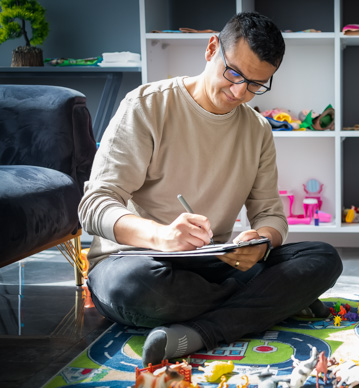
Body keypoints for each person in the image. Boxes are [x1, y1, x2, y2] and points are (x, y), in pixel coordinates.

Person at [79, 12, 342, 366]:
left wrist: (261, 239)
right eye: (233, 74)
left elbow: (270, 214)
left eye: (255, 84)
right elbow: (94, 206)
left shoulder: (258, 130)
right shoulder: (146, 106)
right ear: (211, 48)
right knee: (135, 289)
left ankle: (200, 332)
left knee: (323, 258)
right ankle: (273, 301)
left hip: (213, 261)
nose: (239, 92)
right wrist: (162, 237)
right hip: (137, 263)